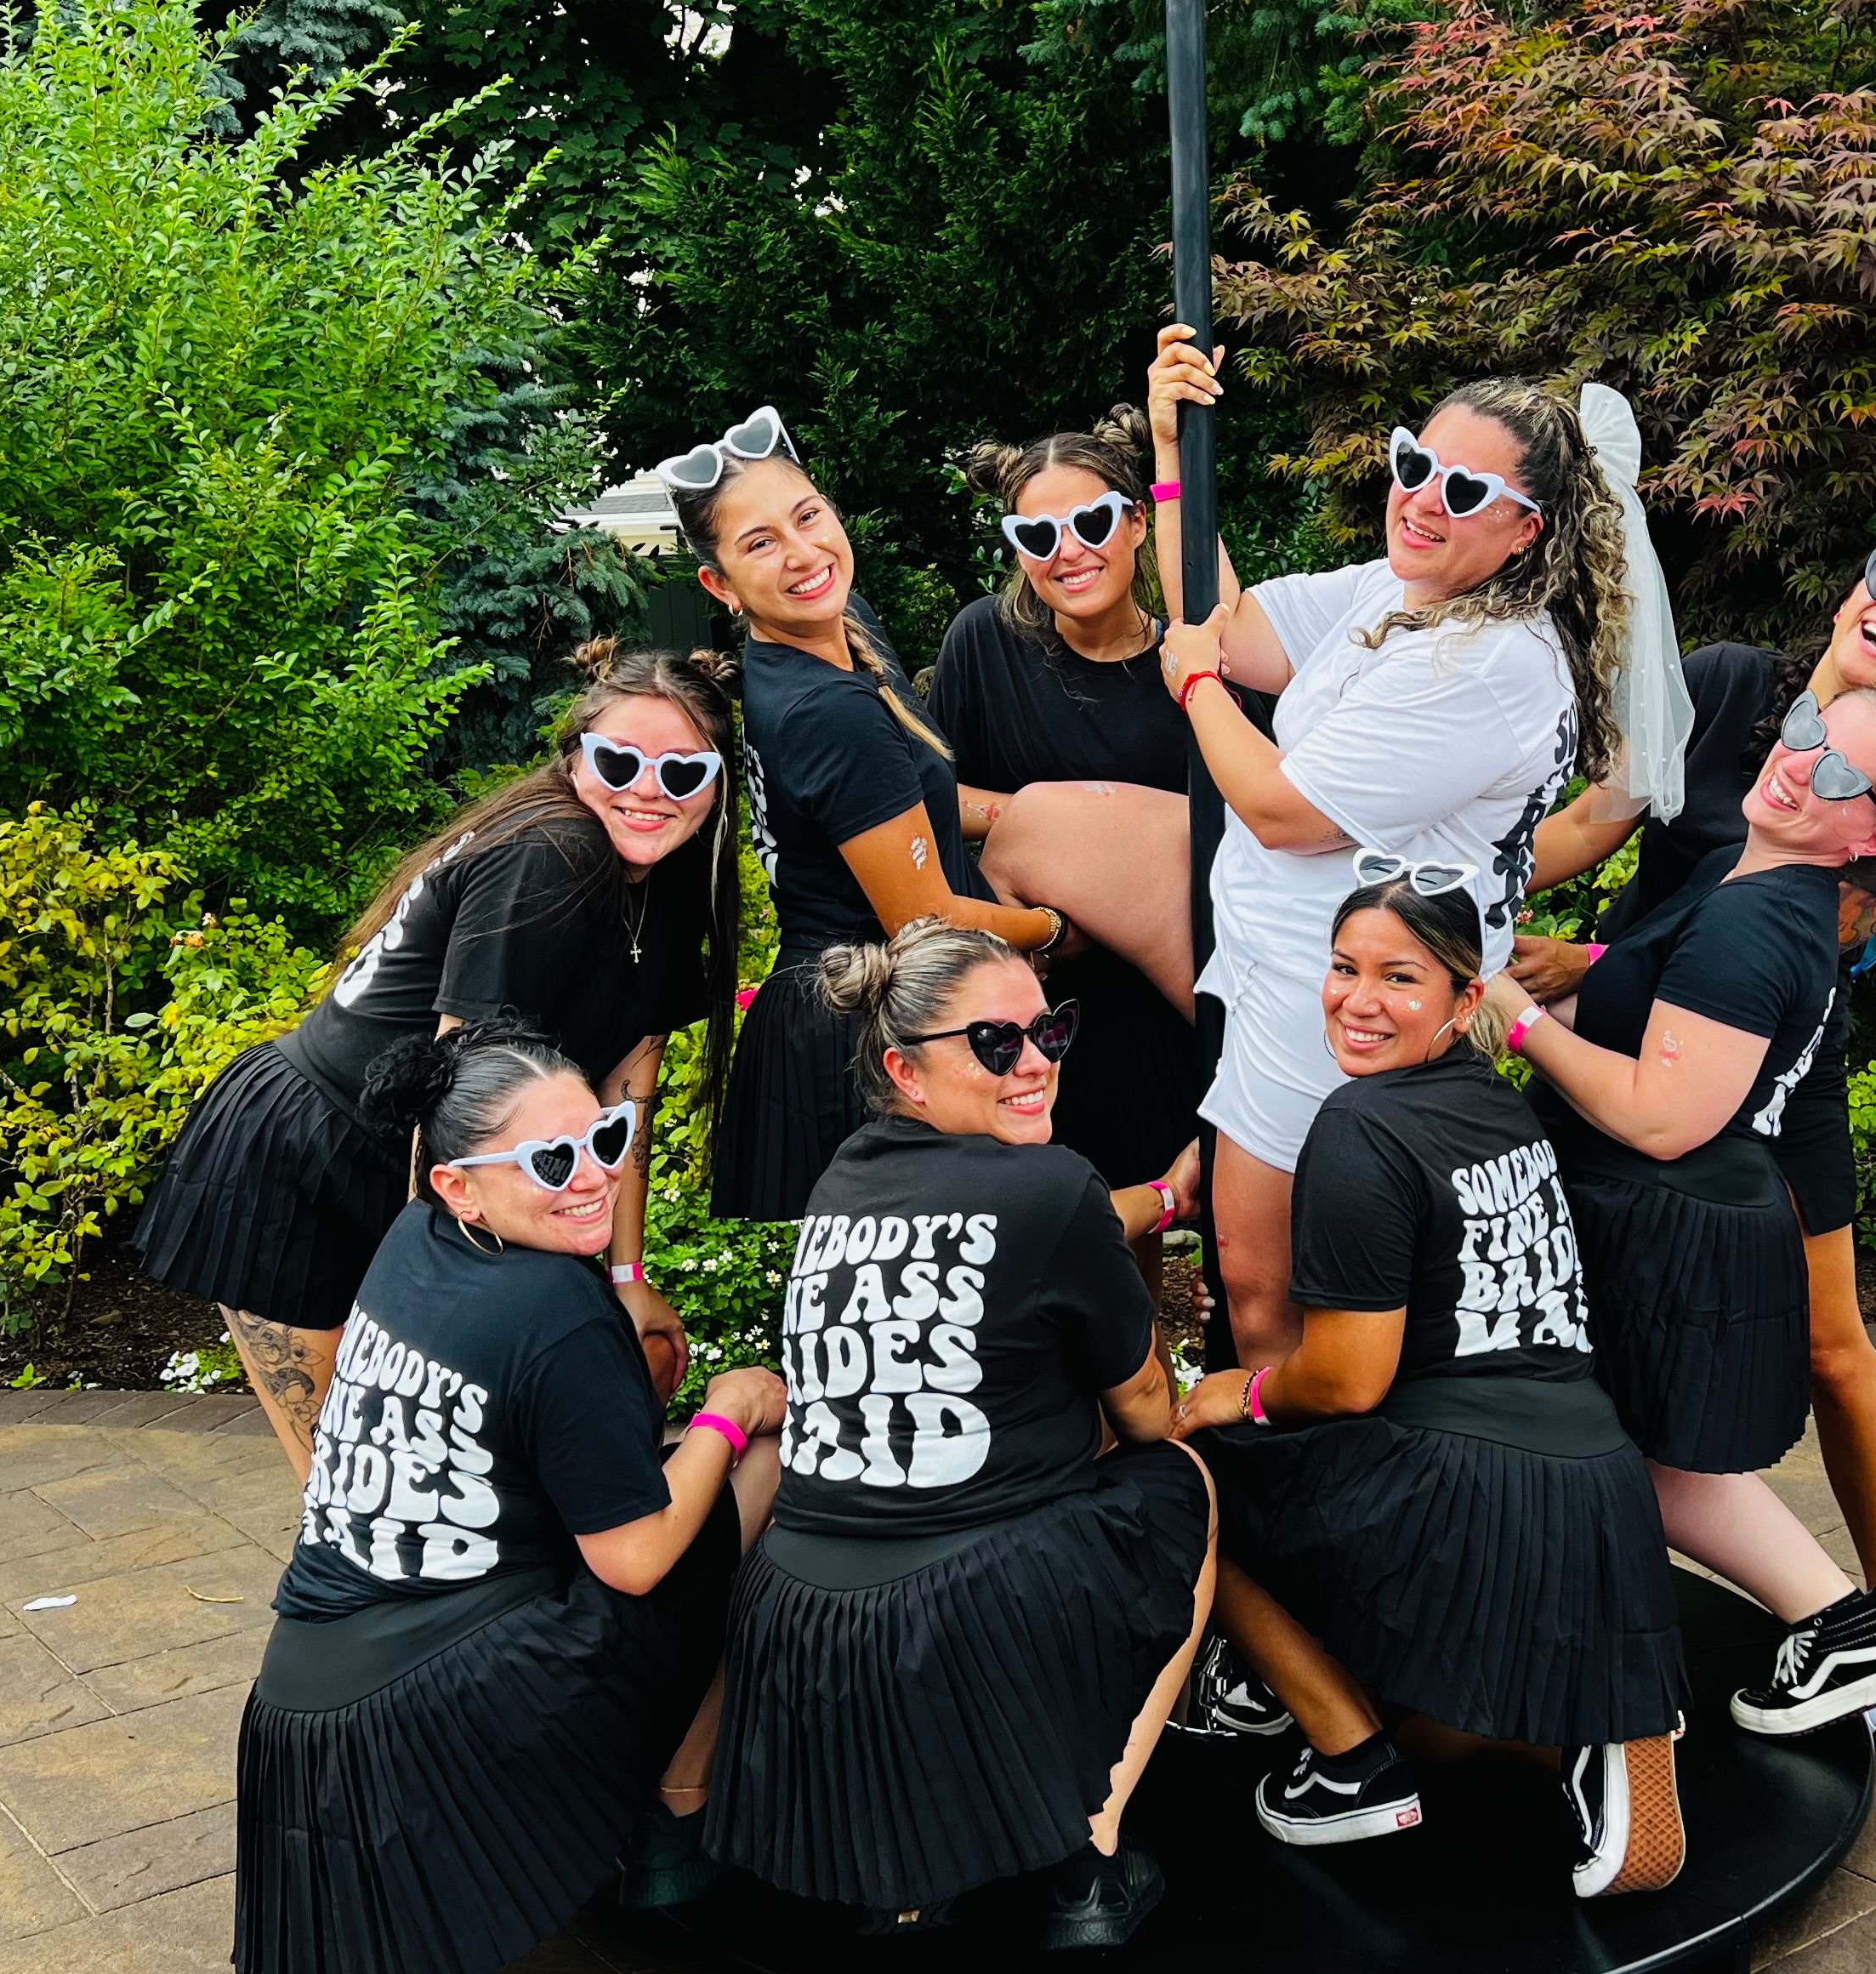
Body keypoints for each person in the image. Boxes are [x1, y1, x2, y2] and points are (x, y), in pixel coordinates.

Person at [983, 335, 1689, 1362]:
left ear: (1525, 528)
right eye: (1414, 464)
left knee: (1274, 1291)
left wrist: (1192, 687)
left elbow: (1281, 806)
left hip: (1344, 1000)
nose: (1422, 498)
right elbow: (1229, 626)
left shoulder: (1488, 660)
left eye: (1462, 487)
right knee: (1261, 1278)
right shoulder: (1400, 590)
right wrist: (1174, 459)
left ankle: (1299, 1472)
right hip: (1276, 966)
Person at [1517, 530, 1876, 1744]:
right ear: (1851, 588)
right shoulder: (1730, 684)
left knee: (1832, 1346)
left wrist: (1571, 984)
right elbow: (1601, 816)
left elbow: (1799, 959)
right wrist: (1473, 900)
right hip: (1654, 1012)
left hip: (1759, 1056)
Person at [233, 1028, 786, 1974]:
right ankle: (678, 1817)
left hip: (305, 1721)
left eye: (608, 1138)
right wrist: (727, 1407)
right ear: (459, 1184)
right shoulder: (555, 1311)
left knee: (661, 1490)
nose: (595, 1178)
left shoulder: (413, 1243)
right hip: (422, 1726)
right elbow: (635, 1558)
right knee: (741, 1481)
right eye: (550, 1160)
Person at [1173, 866, 1689, 1897]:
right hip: (1595, 1491)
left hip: (1466, 1495)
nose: (1358, 1000)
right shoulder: (1501, 1113)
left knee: (1186, 1472)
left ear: (1463, 1002)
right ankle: (1598, 1729)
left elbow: (1350, 1380)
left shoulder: (1360, 1129)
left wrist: (1240, 1390)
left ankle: (1348, 1754)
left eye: (1399, 977)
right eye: (1342, 967)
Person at [705, 921, 1216, 1948]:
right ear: (905, 1067)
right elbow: (1148, 1410)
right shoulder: (1052, 1185)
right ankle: (1087, 1861)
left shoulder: (844, 1179)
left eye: (1050, 1031)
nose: (1035, 1063)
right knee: (1181, 1478)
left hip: (803, 1627)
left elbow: (1005, 1230)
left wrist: (1157, 1198)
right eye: (995, 1043)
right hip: (953, 1621)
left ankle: (915, 1866)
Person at [139, 649, 739, 1471]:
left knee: (446, 1461)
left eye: (683, 772)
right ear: (574, 762)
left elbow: (627, 1089)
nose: (648, 789)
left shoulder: (667, 887)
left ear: (718, 783)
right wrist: (450, 1287)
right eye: (620, 761)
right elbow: (461, 1084)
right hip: (317, 1153)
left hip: (438, 1155)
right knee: (356, 1480)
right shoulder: (551, 852)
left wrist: (625, 1271)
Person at [662, 412, 1072, 1223]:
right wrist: (1056, 928)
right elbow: (925, 918)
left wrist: (1039, 814)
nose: (804, 553)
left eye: (808, 516)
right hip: (861, 1031)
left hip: (834, 1008)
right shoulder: (825, 707)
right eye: (759, 543)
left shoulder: (835, 637)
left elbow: (900, 807)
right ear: (718, 584)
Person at [929, 409, 1202, 1197]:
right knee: (1060, 1229)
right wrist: (1049, 824)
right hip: (1041, 995)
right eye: (1038, 537)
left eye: (1090, 523)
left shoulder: (1197, 656)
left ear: (1138, 521)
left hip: (1172, 989)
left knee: (1182, 1220)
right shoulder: (984, 642)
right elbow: (937, 797)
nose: (1069, 552)